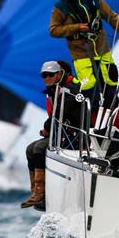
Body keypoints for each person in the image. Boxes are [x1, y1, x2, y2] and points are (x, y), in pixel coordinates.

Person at [21, 60, 86, 209]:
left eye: (50, 75)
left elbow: (58, 115)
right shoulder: (54, 90)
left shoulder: (70, 89)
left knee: (38, 149)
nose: (46, 78)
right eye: (44, 75)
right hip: (59, 133)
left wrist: (47, 129)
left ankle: (41, 195)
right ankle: (36, 193)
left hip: (73, 136)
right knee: (30, 149)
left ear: (60, 74)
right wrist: (48, 130)